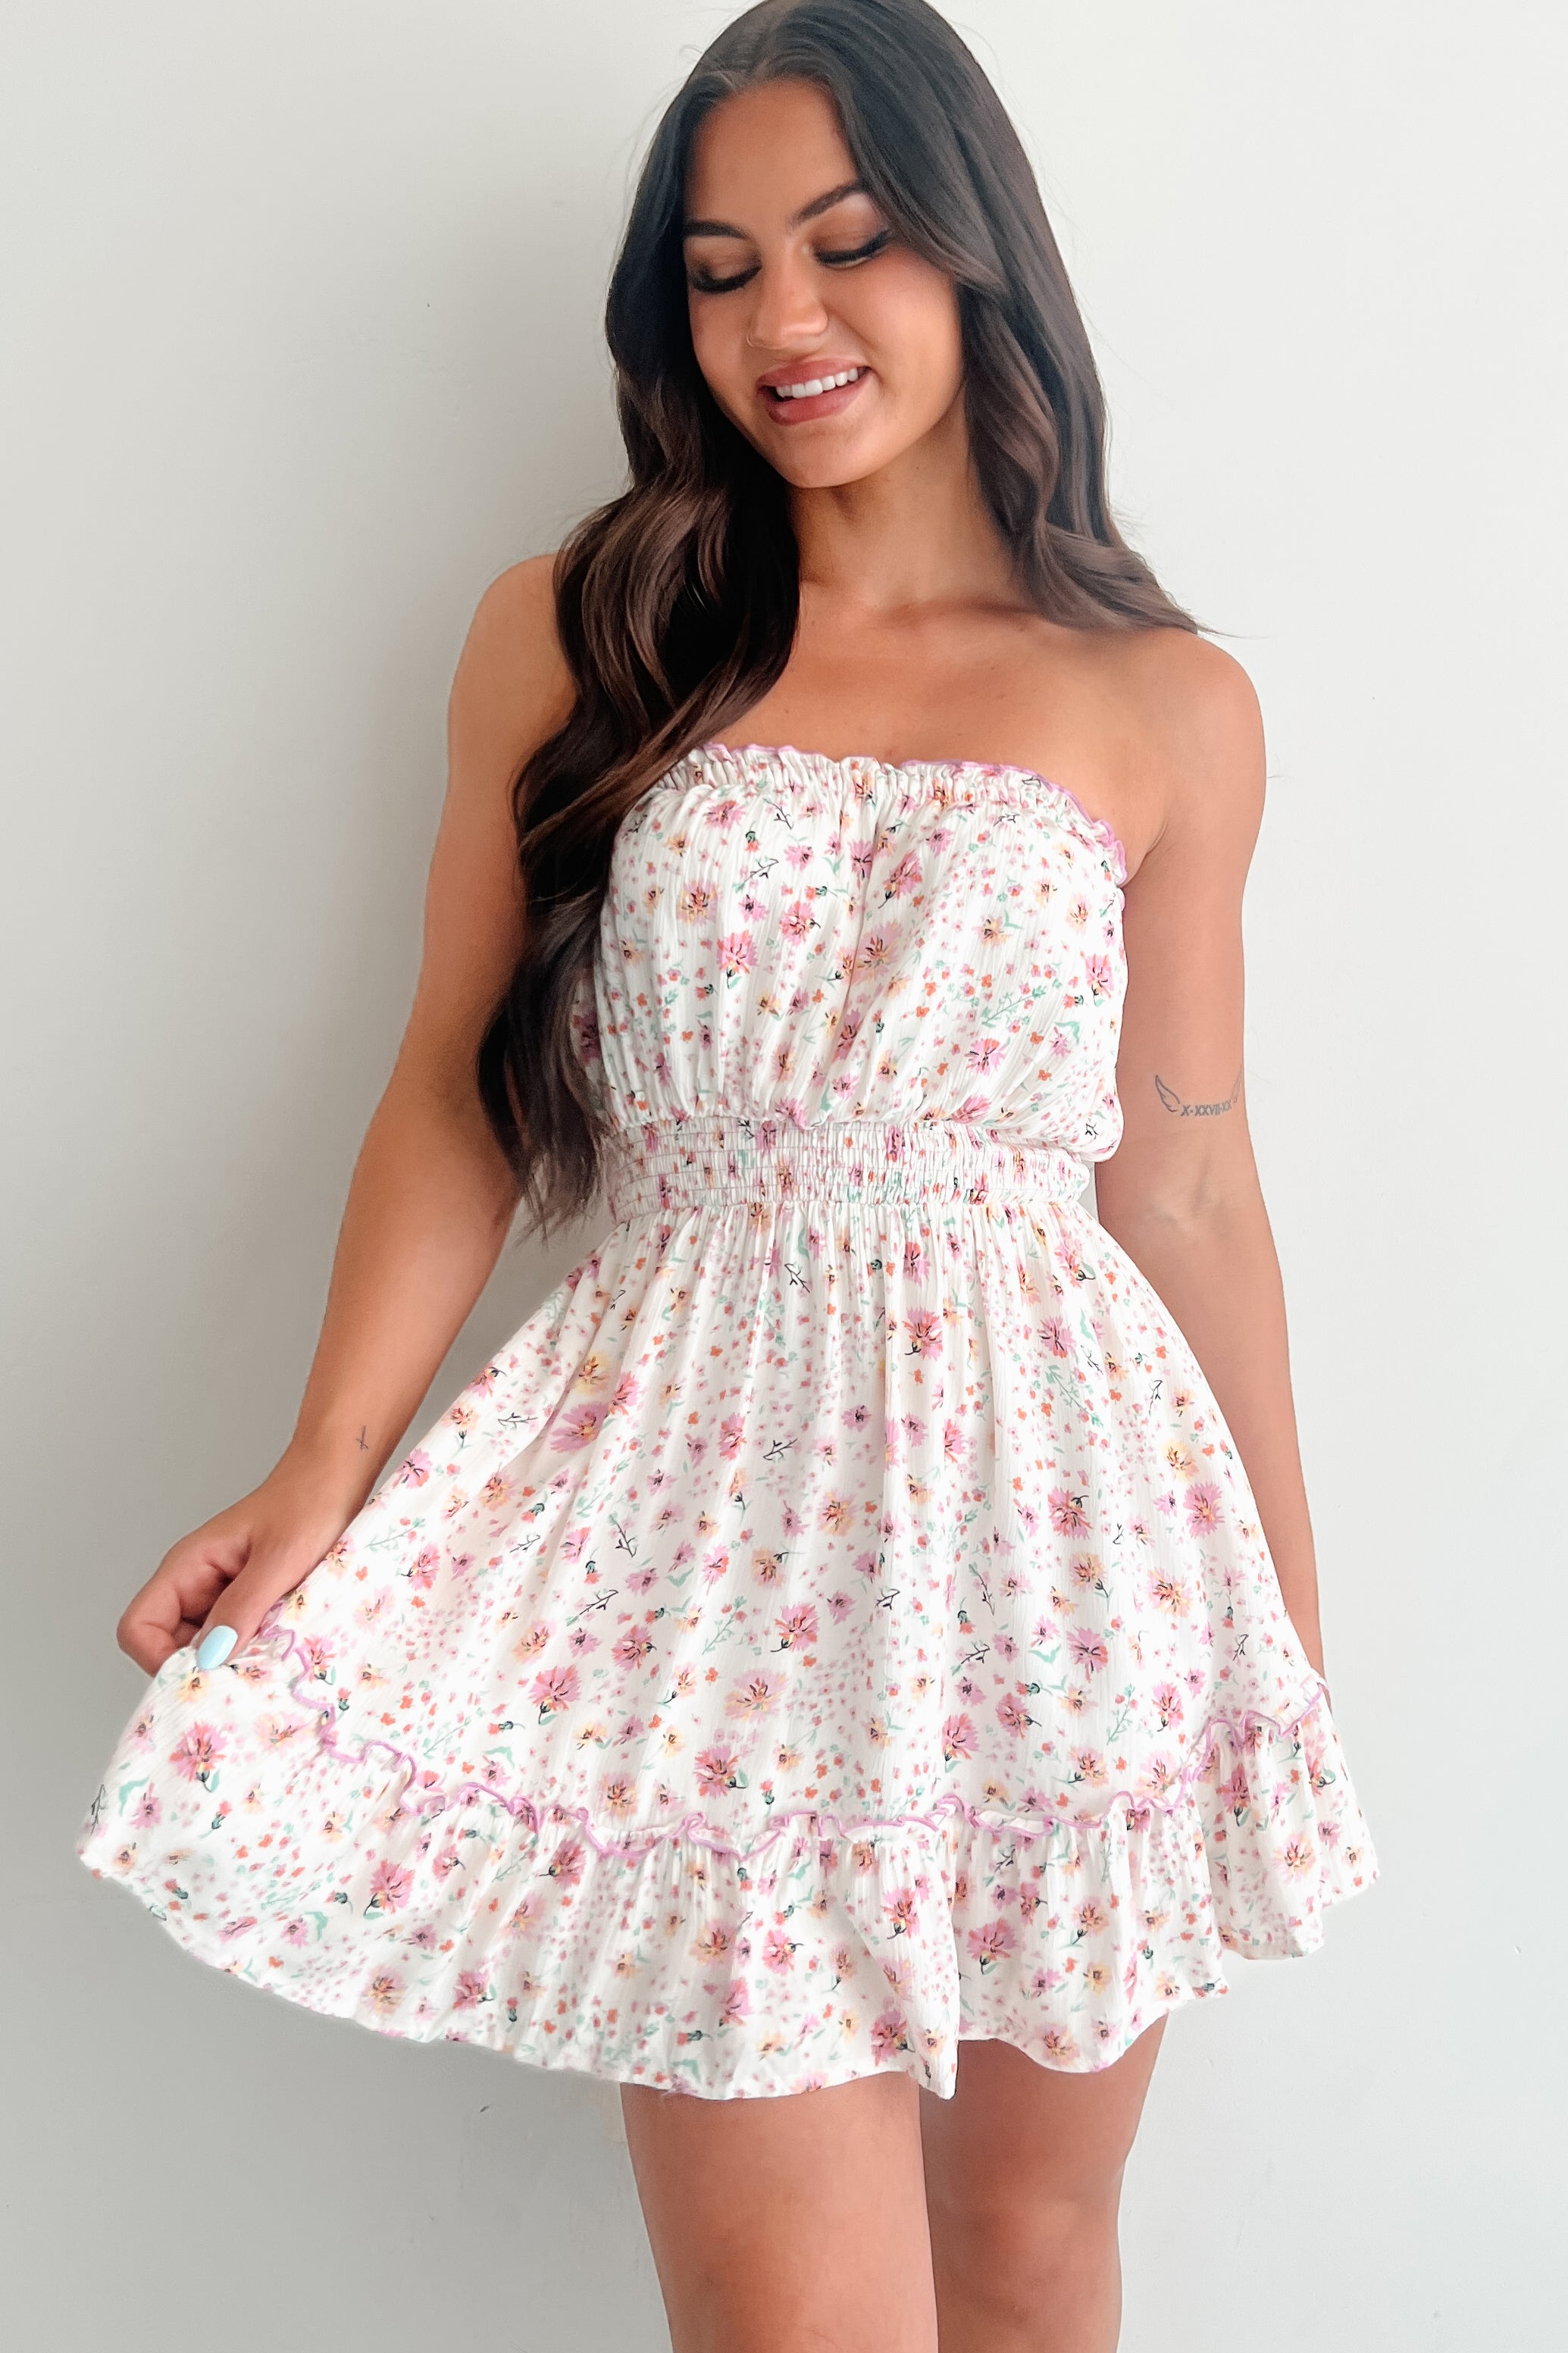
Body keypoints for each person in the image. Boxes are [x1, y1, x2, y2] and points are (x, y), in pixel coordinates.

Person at [78, 5, 1376, 2348]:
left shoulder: (1170, 701)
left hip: (1064, 1543)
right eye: (719, 267)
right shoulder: (577, 632)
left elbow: (1190, 1194)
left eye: (849, 244)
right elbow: (461, 1092)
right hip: (709, 1547)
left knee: (1036, 2251)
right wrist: (323, 1466)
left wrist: (1276, 1624)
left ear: (977, 255)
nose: (785, 317)